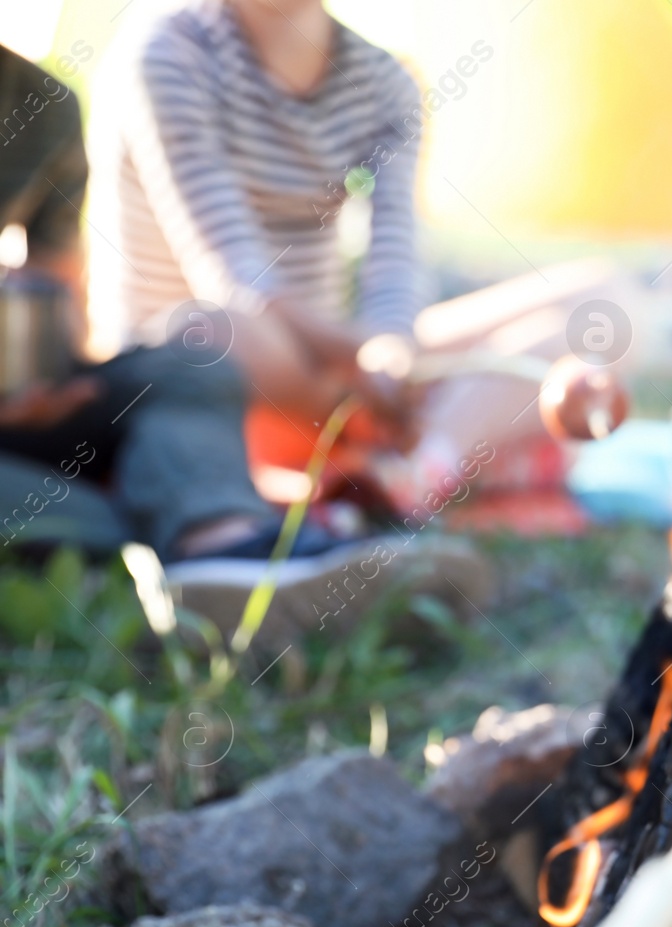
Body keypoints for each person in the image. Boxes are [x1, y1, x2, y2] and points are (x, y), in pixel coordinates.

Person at [0, 42, 486, 644]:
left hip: (22, 420)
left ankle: (224, 554)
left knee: (194, 360)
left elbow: (57, 306)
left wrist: (47, 374)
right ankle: (159, 566)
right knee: (98, 525)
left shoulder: (41, 107)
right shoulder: (168, 60)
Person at [84, 0, 603, 512]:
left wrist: (390, 350)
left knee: (601, 299)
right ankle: (427, 435)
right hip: (211, 379)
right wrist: (367, 356)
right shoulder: (167, 54)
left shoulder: (383, 83)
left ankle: (418, 466)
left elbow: (396, 262)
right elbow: (234, 278)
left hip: (333, 370)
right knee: (210, 328)